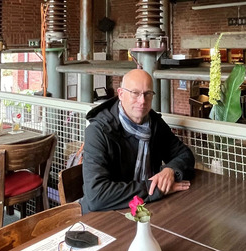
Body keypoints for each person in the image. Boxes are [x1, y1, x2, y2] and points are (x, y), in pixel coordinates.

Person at [81, 69, 195, 213]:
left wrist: (170, 169)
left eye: (147, 94)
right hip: (106, 215)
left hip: (146, 209)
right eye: (135, 93)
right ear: (121, 94)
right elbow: (97, 196)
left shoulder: (153, 123)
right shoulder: (99, 131)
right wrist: (155, 188)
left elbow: (184, 154)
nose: (142, 101)